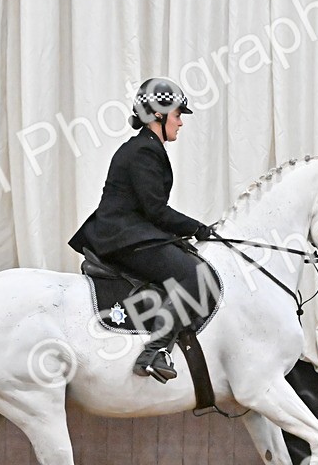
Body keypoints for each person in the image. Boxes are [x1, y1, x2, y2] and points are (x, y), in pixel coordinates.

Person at [68, 78, 214, 383]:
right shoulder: (143, 151)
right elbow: (155, 210)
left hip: (131, 233)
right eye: (178, 115)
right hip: (122, 237)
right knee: (193, 275)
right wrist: (197, 228)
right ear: (158, 116)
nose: (181, 123)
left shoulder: (146, 148)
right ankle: (155, 351)